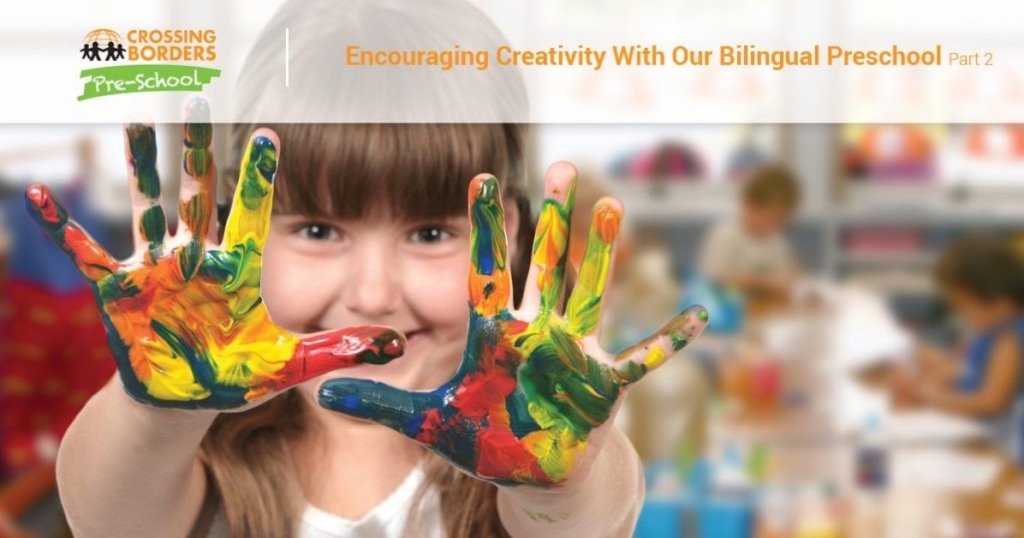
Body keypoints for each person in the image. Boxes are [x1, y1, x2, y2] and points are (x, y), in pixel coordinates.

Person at [33, 1, 708, 537]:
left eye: (432, 232)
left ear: (512, 237)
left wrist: (562, 486)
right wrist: (160, 419)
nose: (373, 294)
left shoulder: (514, 431)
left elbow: (592, 518)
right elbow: (111, 516)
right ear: (232, 232)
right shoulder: (201, 449)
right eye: (319, 230)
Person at [893, 237, 1024, 459]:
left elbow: (991, 402)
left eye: (964, 307)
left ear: (1000, 301)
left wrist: (930, 396)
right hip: (974, 432)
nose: (963, 316)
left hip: (997, 447)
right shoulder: (989, 329)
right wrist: (928, 378)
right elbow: (964, 370)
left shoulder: (1008, 339)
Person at [697, 164, 801, 296]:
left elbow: (788, 273)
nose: (774, 226)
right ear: (748, 205)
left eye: (780, 221)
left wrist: (792, 278)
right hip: (728, 310)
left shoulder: (777, 240)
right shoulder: (726, 235)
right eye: (771, 217)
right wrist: (765, 283)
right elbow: (717, 281)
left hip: (767, 310)